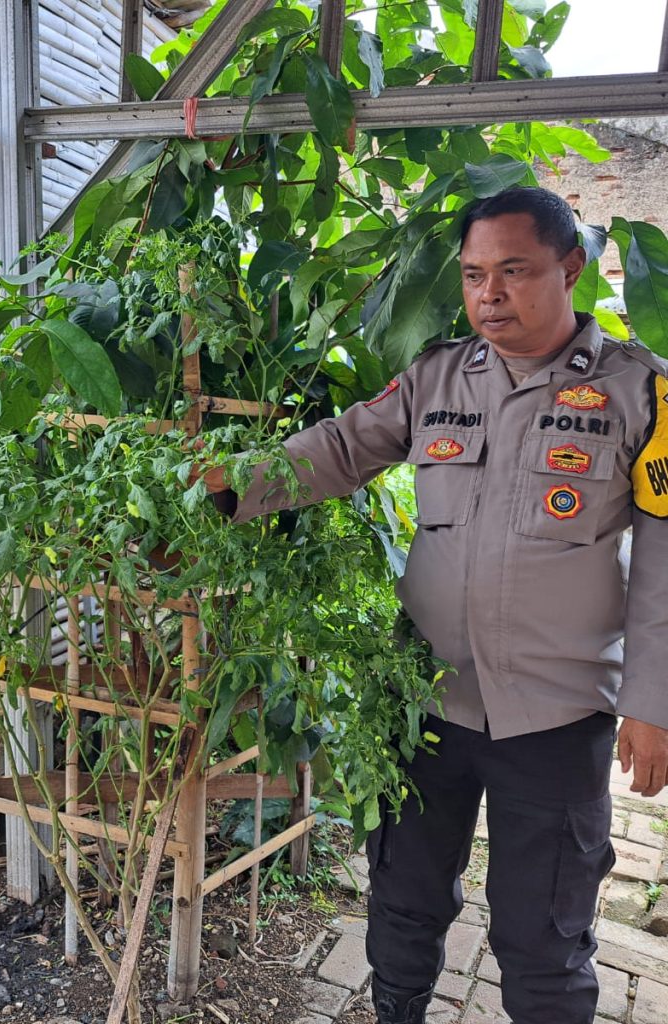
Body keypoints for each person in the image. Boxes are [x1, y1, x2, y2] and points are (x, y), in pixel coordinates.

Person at [196, 186, 668, 1024]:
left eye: (514, 272)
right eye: (475, 274)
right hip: (425, 702)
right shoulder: (439, 375)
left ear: (572, 270)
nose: (490, 295)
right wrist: (225, 488)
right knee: (404, 904)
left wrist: (652, 704)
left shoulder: (644, 394)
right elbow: (342, 450)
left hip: (558, 717)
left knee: (544, 938)